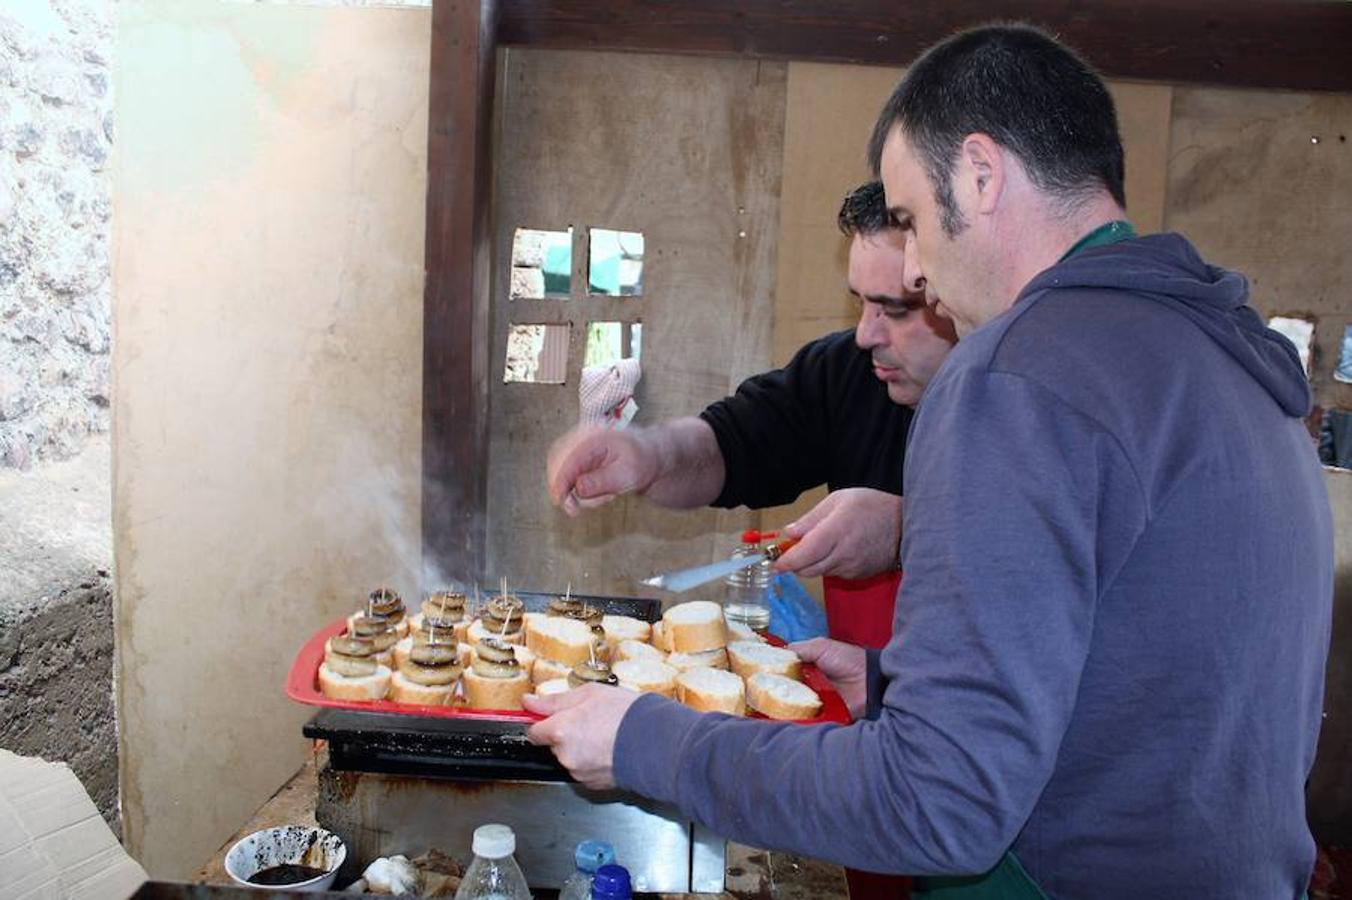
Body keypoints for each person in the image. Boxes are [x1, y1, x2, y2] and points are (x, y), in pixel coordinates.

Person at [526, 23, 1333, 899]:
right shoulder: (1223, 358)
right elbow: (1147, 679)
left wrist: (651, 741)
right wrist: (892, 685)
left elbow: (938, 803)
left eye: (910, 221)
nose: (915, 267)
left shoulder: (1020, 373)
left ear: (981, 175)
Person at [547, 181, 956, 647]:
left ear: (957, 291)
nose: (865, 334)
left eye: (896, 310)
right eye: (861, 302)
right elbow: (733, 444)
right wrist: (650, 454)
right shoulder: (846, 372)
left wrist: (905, 532)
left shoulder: (1024, 405)